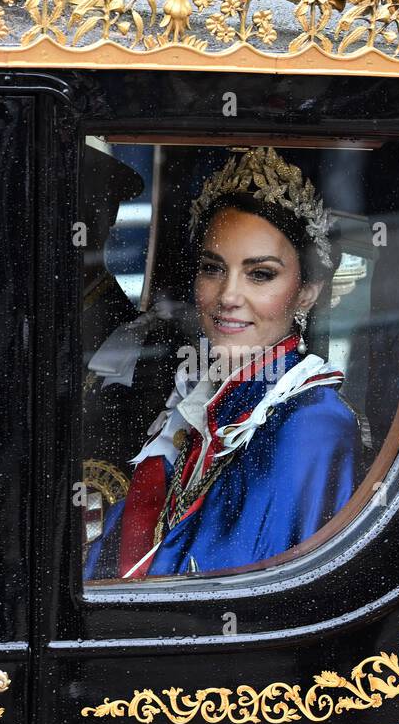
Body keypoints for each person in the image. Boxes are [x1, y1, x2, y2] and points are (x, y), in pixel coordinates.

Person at [85, 147, 362, 581]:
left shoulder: (311, 424)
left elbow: (235, 596)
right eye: (213, 269)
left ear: (307, 291)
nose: (228, 296)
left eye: (261, 274)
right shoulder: (203, 399)